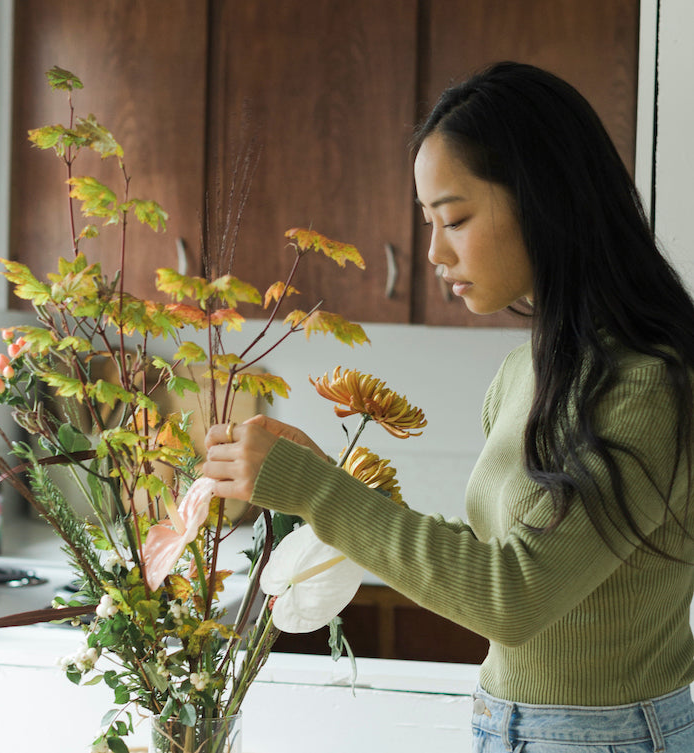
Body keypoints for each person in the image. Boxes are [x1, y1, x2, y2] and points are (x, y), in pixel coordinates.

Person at [203, 62, 694, 752]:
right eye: (428, 222)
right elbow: (493, 558)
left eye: (454, 218)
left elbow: (511, 594)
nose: (434, 251)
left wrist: (317, 490)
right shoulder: (524, 371)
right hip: (510, 721)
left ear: (544, 198)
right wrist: (321, 479)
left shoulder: (645, 387)